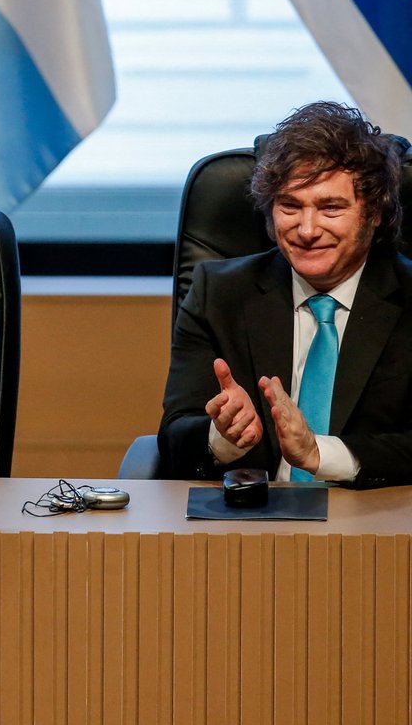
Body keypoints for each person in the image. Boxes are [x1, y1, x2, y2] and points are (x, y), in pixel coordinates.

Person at [160, 101, 412, 486]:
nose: (307, 230)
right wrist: (222, 436)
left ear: (374, 212)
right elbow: (174, 439)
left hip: (375, 516)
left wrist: (320, 454)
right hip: (252, 516)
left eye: (330, 208)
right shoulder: (220, 293)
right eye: (290, 206)